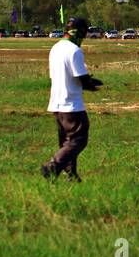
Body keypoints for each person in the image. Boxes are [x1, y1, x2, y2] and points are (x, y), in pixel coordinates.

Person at [42, 17, 104, 182]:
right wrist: (92, 84)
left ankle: (72, 175)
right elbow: (81, 78)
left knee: (66, 142)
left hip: (56, 103)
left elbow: (58, 75)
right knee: (78, 140)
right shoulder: (74, 51)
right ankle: (53, 166)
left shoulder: (55, 48)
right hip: (71, 104)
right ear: (80, 32)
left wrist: (89, 81)